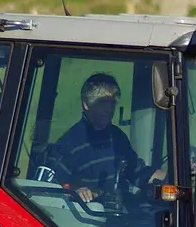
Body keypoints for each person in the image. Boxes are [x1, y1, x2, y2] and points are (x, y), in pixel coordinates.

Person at [46, 73, 163, 202]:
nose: (109, 109)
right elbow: (51, 188)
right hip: (84, 216)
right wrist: (75, 191)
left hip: (119, 212)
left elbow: (136, 171)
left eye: (112, 103)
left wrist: (173, 178)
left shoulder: (118, 137)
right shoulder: (69, 144)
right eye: (103, 103)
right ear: (86, 105)